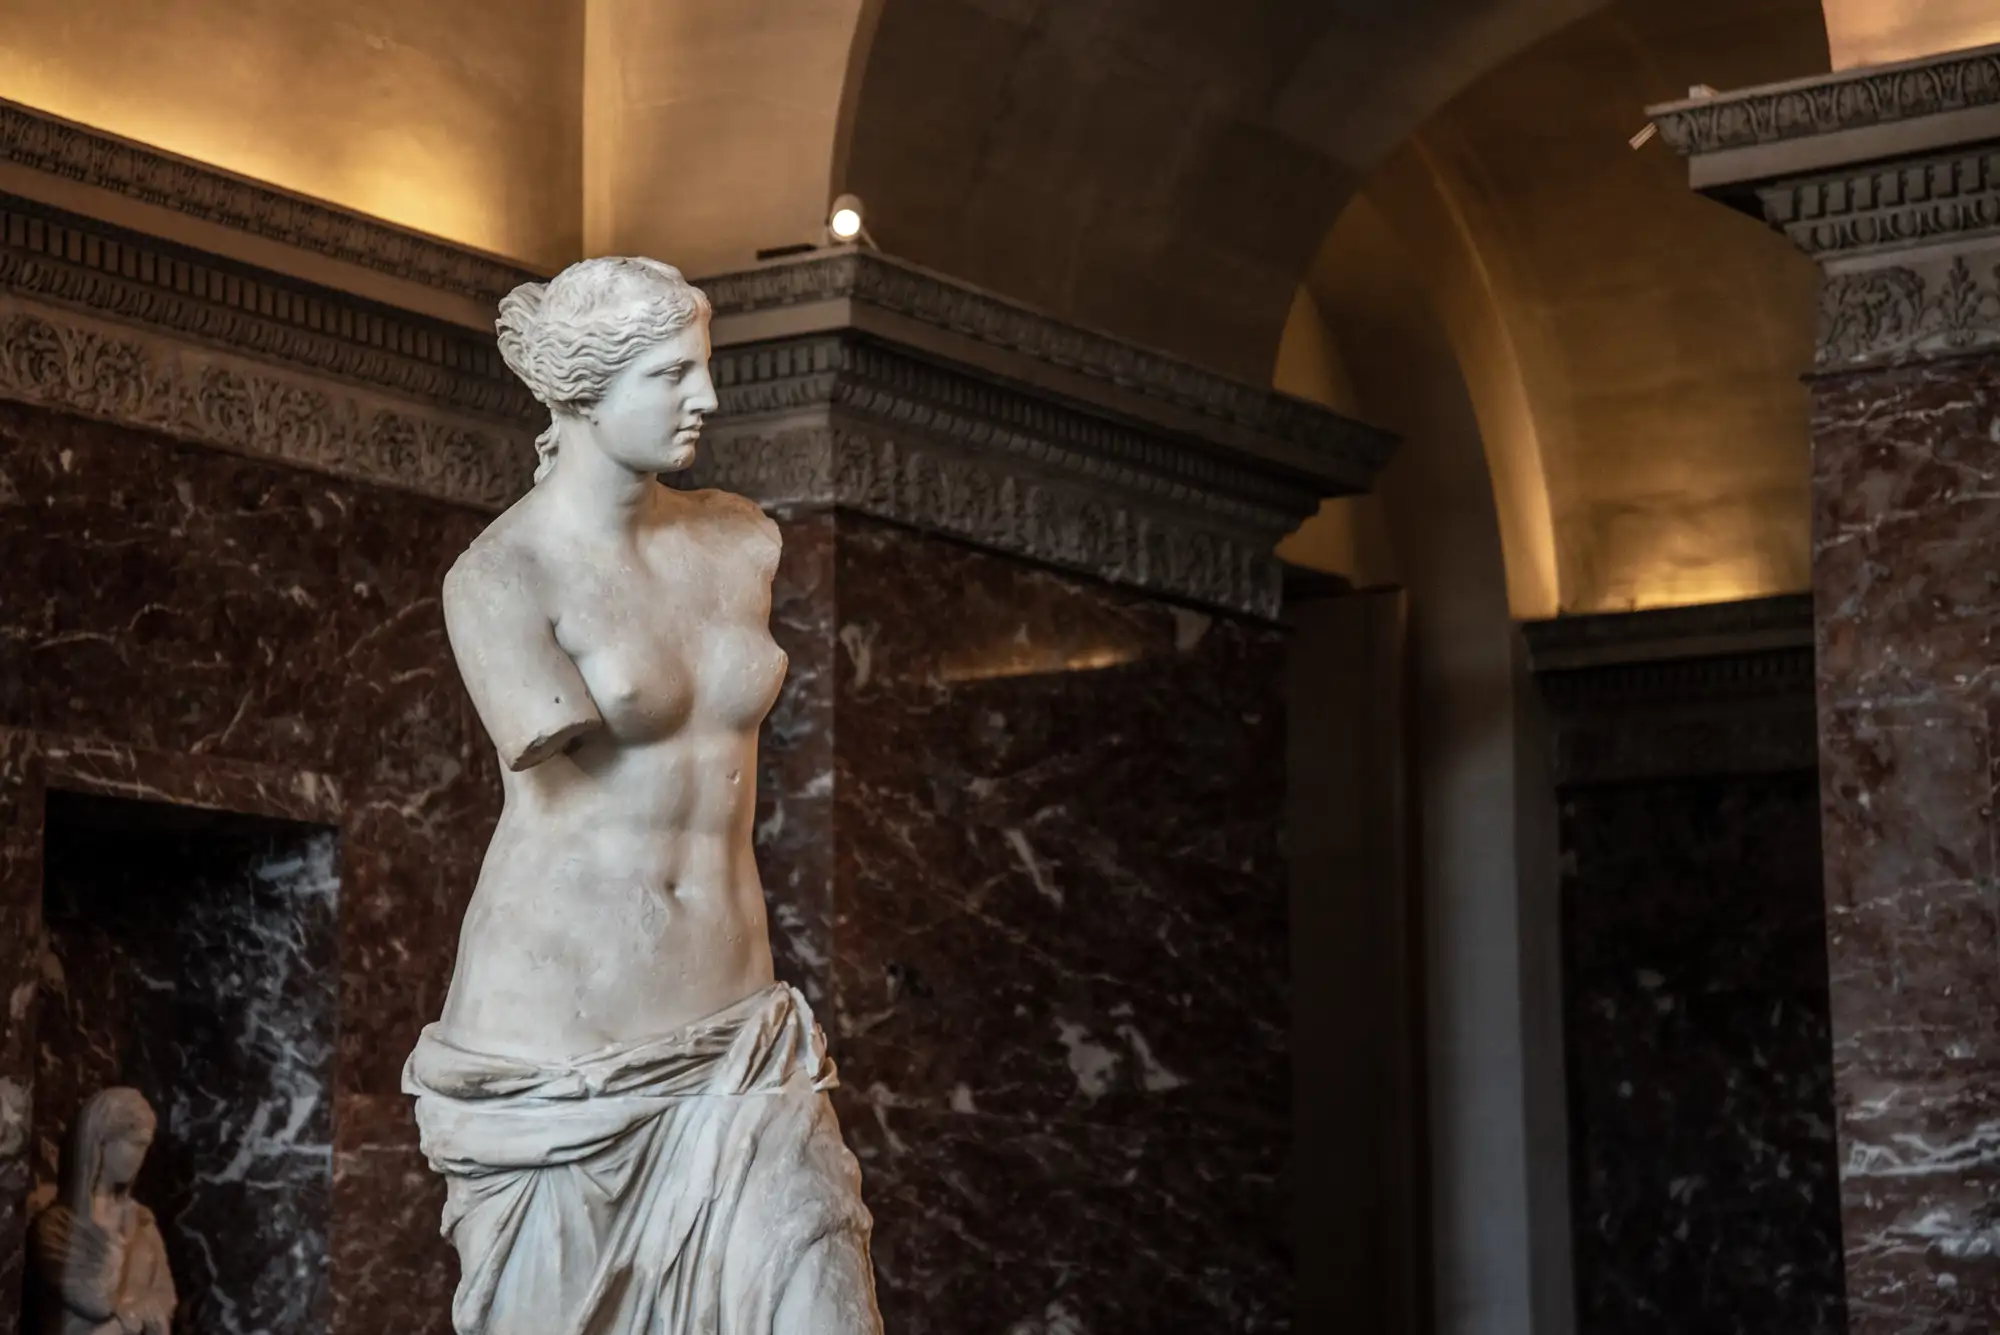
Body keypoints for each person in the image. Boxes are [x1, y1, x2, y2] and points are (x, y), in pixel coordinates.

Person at [402, 256, 882, 1335]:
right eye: (670, 376)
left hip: (741, 1035)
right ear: (581, 386)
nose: (704, 399)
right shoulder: (502, 577)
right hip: (566, 1042)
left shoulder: (738, 540)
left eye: (700, 370)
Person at [28, 1087, 176, 1335]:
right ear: (103, 1141)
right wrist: (132, 1312)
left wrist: (150, 1310)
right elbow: (93, 1299)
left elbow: (166, 1296)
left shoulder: (142, 1221)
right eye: (135, 1144)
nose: (141, 1157)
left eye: (145, 1147)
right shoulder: (58, 1226)